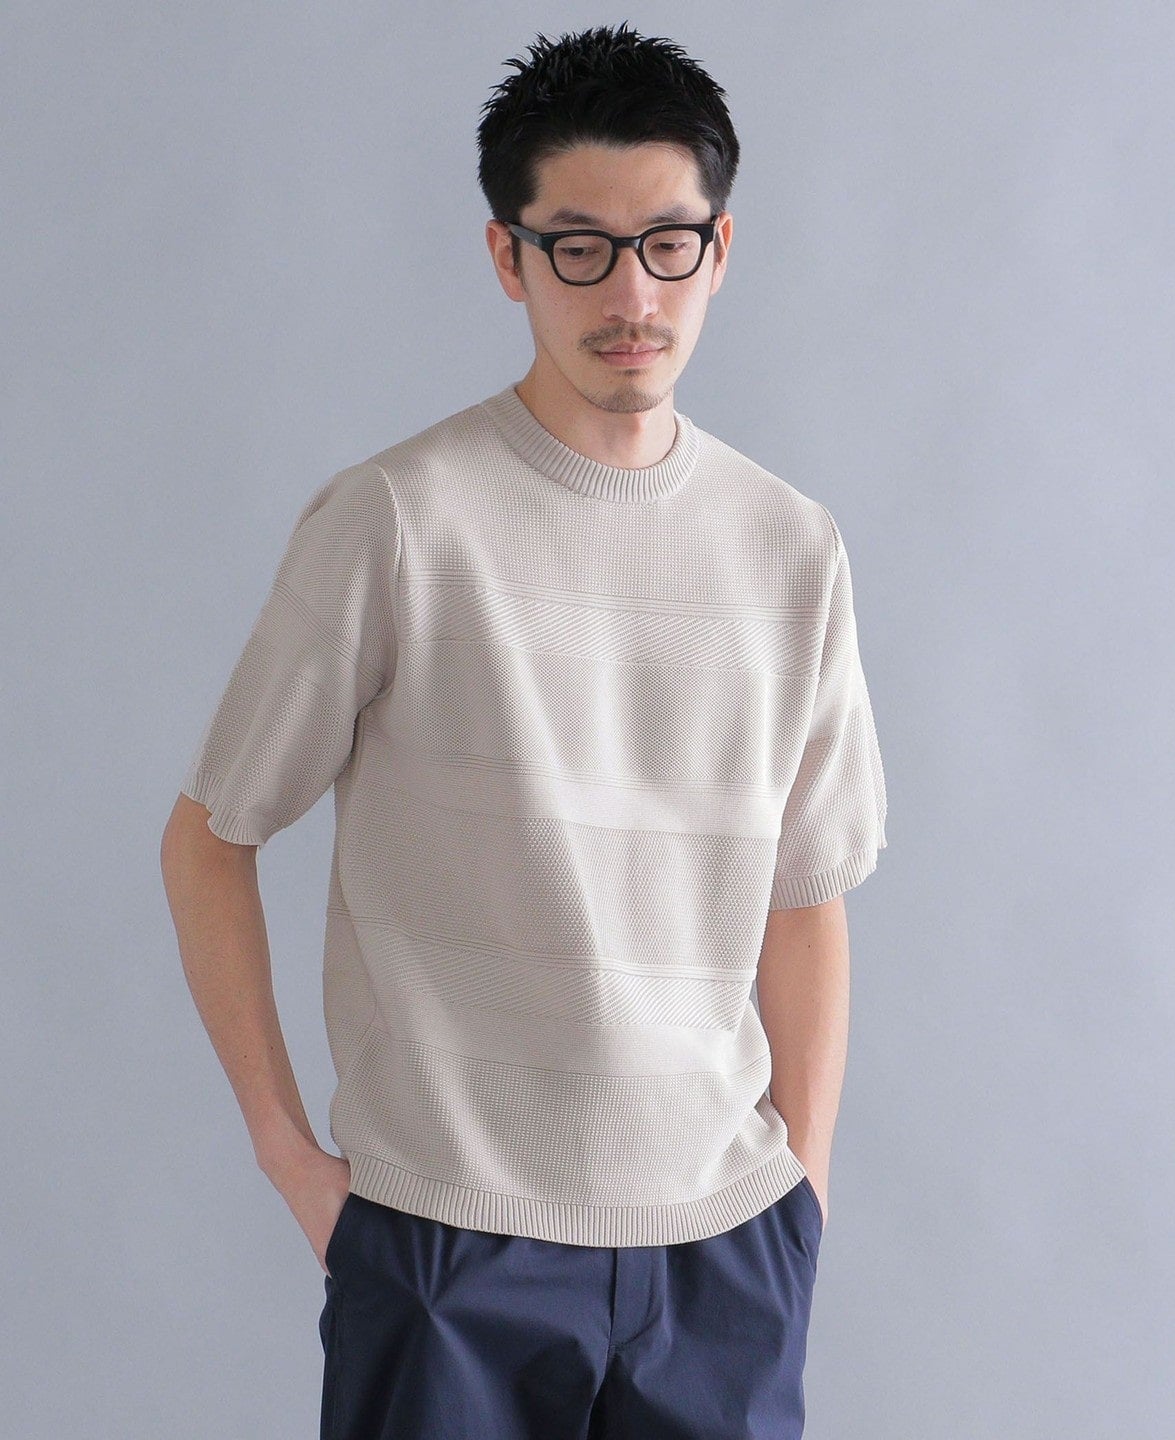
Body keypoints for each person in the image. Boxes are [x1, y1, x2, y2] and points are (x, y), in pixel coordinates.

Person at [160, 21, 888, 1439]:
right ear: (509, 258)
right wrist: (293, 1160)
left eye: (666, 242)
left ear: (720, 250)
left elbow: (805, 894)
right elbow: (210, 836)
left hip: (724, 1249)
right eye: (579, 248)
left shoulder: (791, 548)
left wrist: (804, 1188)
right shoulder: (396, 521)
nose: (631, 292)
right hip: (449, 1239)